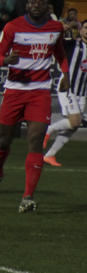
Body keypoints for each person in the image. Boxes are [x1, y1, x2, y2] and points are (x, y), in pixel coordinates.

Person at [0, 0, 70, 213]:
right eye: (31, 1)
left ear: (48, 7)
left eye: (40, 2)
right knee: (4, 140)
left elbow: (60, 53)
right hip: (14, 90)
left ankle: (27, 196)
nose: (35, 5)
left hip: (39, 92)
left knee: (35, 140)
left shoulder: (56, 28)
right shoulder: (13, 27)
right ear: (26, 5)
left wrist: (66, 73)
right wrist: (5, 60)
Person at [43, 21, 87, 166]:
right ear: (81, 31)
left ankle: (50, 155)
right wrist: (62, 29)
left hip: (82, 92)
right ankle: (49, 129)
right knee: (75, 121)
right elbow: (56, 42)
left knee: (75, 125)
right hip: (67, 87)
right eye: (86, 28)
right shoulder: (73, 44)